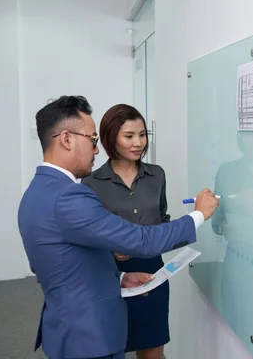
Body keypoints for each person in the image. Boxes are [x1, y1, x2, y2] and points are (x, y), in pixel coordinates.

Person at [17, 96, 219, 359]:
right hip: (89, 334)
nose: (96, 149)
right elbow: (143, 240)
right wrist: (199, 214)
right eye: (92, 140)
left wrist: (122, 278)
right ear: (67, 139)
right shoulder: (70, 196)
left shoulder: (38, 191)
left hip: (74, 323)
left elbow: (73, 261)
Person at [81, 104, 170, 359]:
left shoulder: (157, 175)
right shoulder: (91, 183)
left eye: (142, 135)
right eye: (129, 136)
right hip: (112, 274)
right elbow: (87, 234)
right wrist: (111, 249)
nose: (138, 142)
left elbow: (162, 218)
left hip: (153, 270)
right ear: (111, 138)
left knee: (153, 346)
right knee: (112, 346)